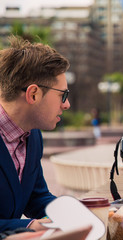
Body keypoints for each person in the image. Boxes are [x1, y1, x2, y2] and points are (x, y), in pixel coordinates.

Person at [0, 36, 70, 232]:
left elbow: (35, 197)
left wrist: (77, 212)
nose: (66, 104)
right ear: (33, 94)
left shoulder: (32, 135)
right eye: (62, 95)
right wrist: (31, 226)